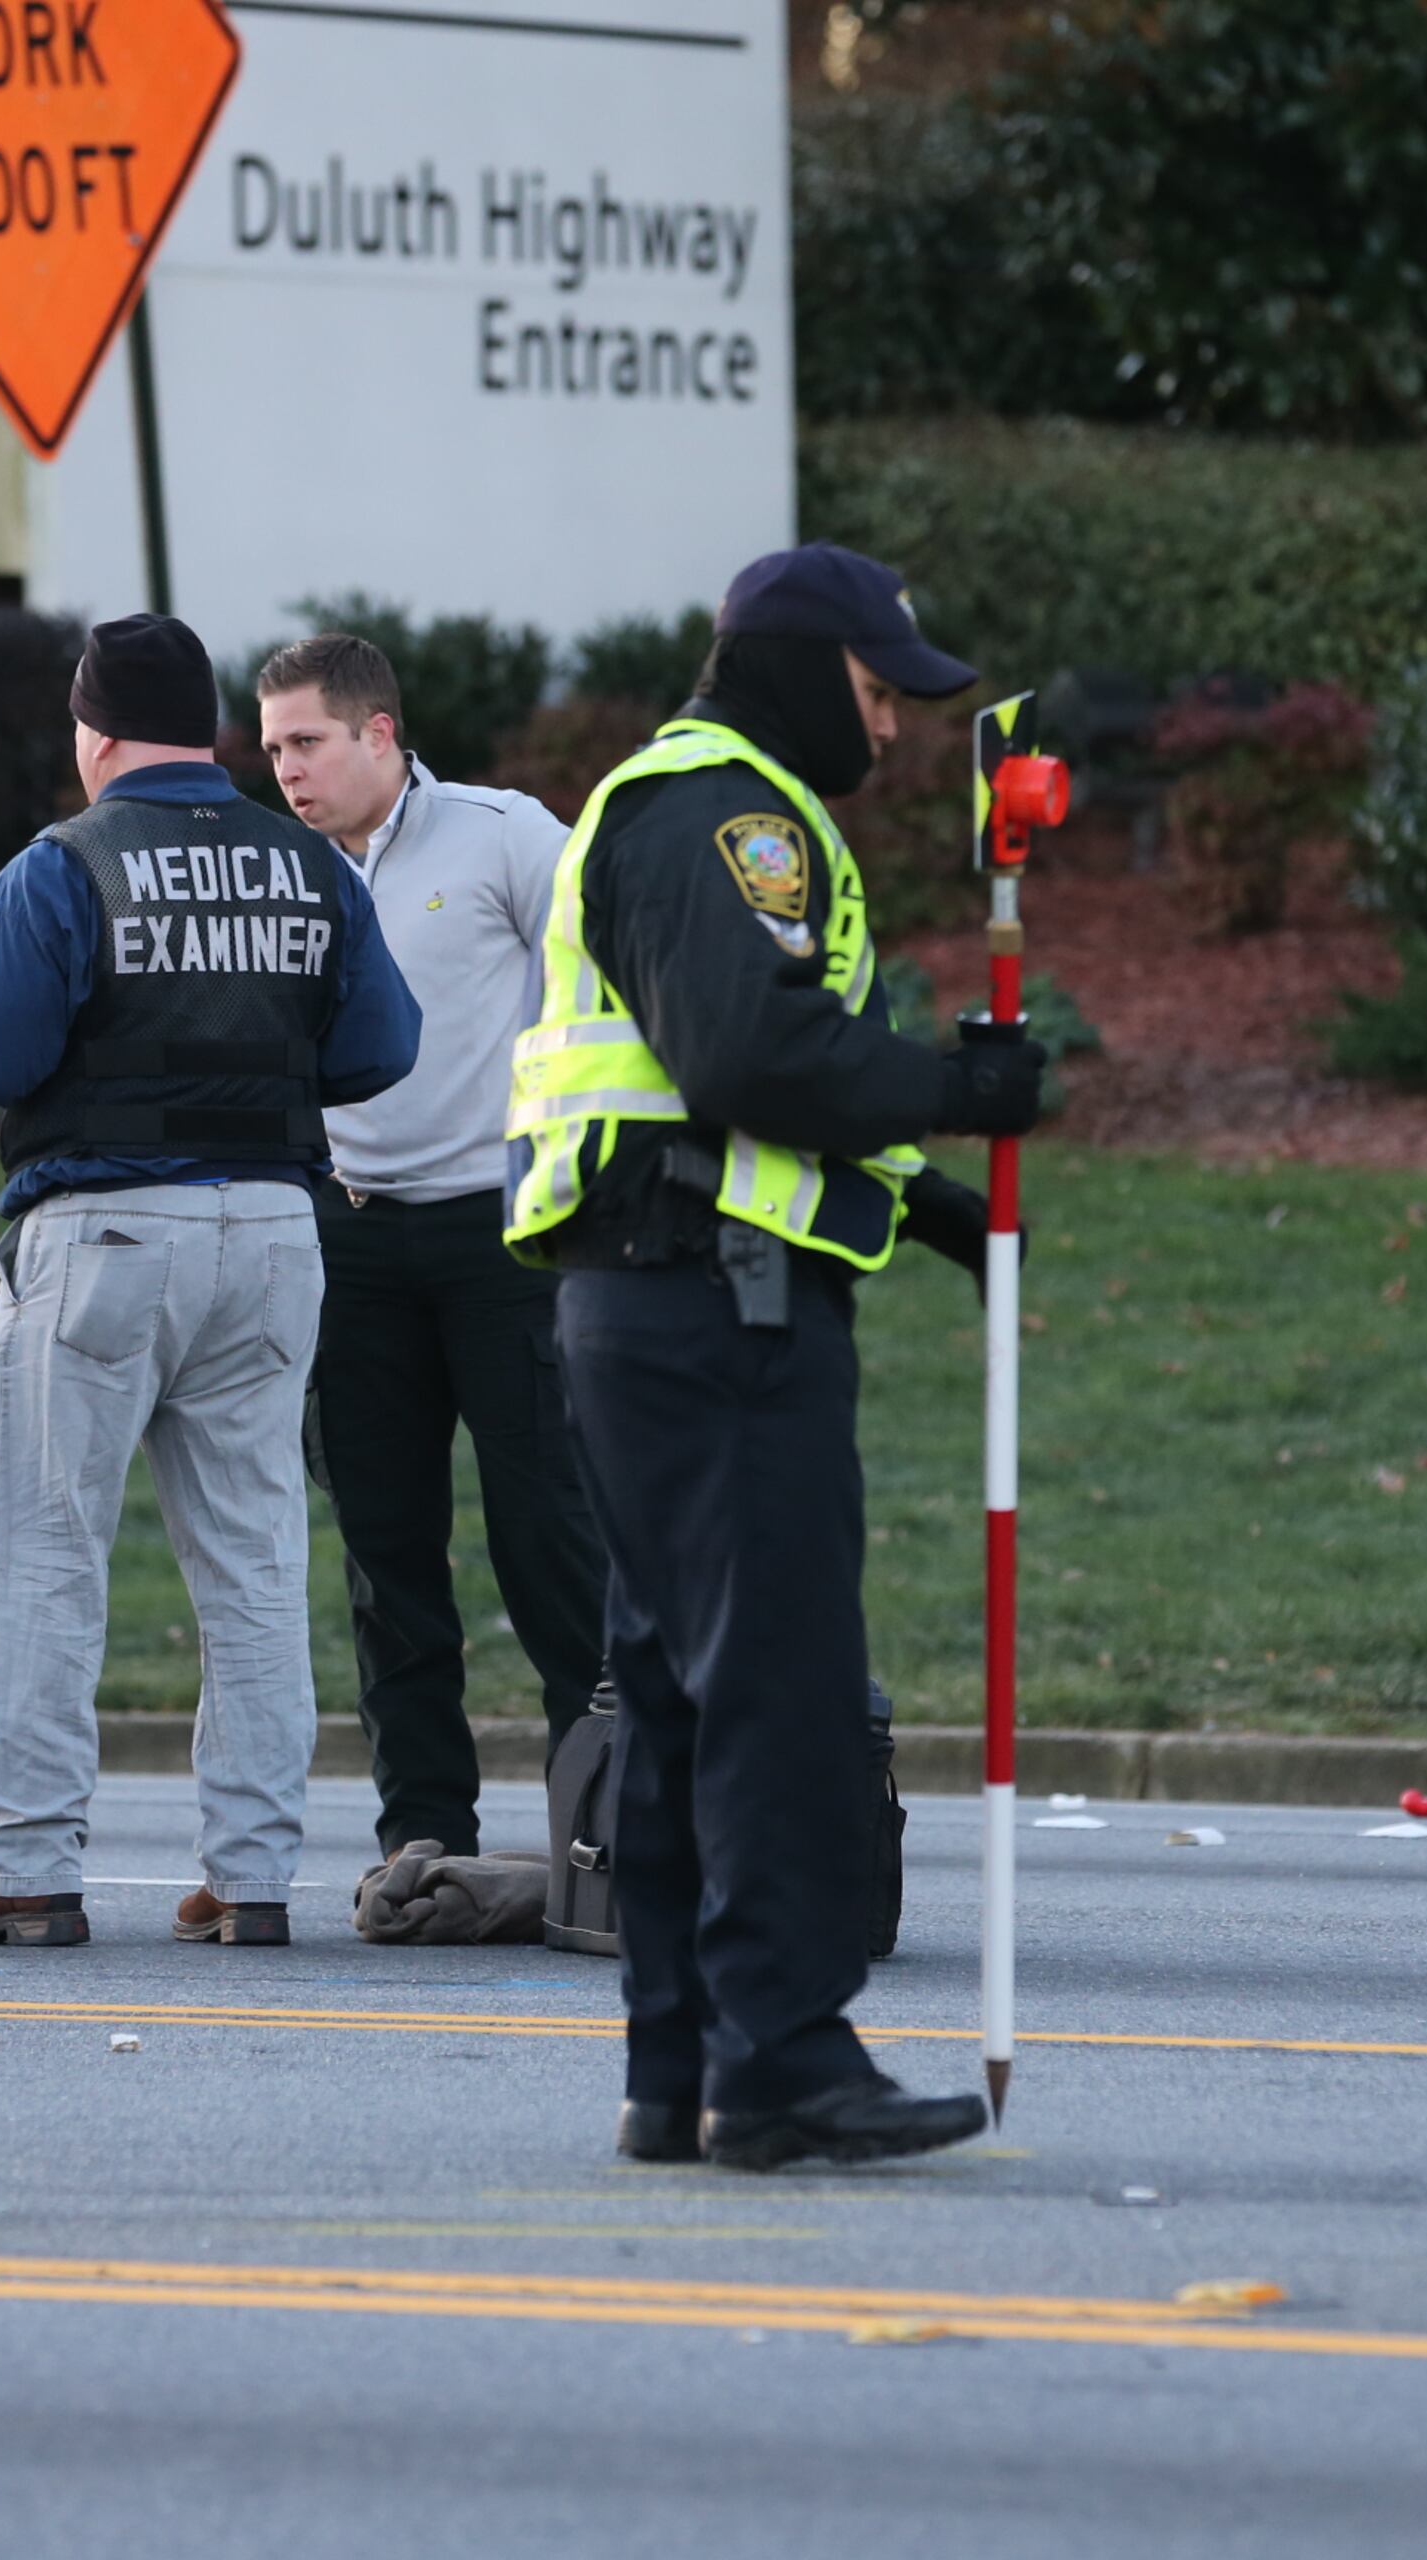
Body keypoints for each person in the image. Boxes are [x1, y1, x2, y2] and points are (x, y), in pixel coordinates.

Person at [0, 613, 421, 1949]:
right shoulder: (306, 865)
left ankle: (30, 1867)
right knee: (254, 1561)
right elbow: (380, 1047)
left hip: (105, 1237)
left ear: (93, 734)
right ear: (216, 730)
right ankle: (252, 1877)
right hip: (277, 1236)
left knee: (47, 1554)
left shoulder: (65, 866)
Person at [501, 543, 1041, 2172]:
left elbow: (709, 1090)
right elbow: (750, 1052)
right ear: (806, 670)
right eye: (878, 695)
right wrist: (947, 1086)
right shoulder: (724, 812)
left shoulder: (678, 806)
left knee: (679, 1701)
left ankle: (683, 2069)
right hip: (713, 1318)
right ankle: (786, 2057)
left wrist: (926, 1196)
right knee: (778, 1696)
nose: (889, 735)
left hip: (659, 1299)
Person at [255, 632, 607, 1866]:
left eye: (306, 742)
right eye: (272, 749)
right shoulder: (281, 872)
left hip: (500, 1237)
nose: (287, 770)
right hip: (348, 1240)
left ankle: (601, 1830)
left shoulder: (502, 833)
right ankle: (421, 1837)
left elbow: (613, 965)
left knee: (552, 1541)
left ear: (379, 734)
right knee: (383, 1554)